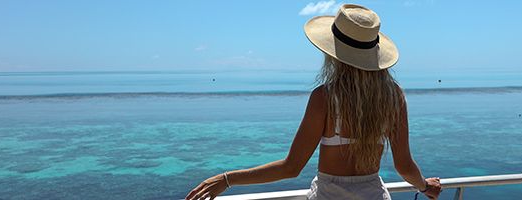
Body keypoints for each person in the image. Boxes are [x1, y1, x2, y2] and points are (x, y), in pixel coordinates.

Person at [186, 4, 441, 200]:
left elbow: (291, 167)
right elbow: (404, 165)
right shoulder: (393, 96)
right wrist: (425, 186)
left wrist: (227, 179)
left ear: (334, 52)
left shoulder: (326, 98)